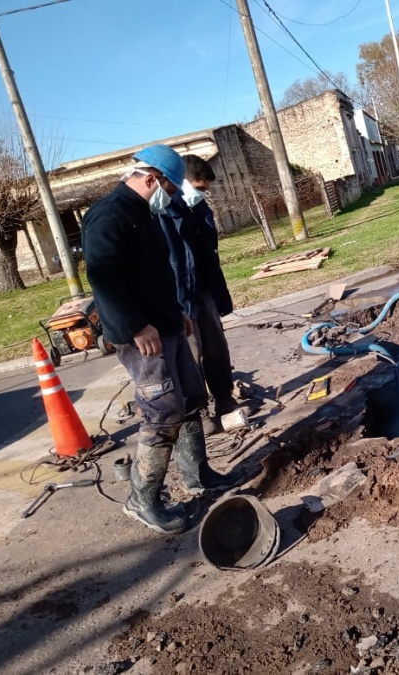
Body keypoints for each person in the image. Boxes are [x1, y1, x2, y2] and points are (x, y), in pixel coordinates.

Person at [81, 144, 237, 535]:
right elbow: (103, 278)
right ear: (152, 178)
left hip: (167, 324)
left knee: (190, 398)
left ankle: (197, 475)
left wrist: (176, 313)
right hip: (141, 336)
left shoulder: (144, 214)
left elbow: (157, 274)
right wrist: (136, 325)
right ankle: (142, 500)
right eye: (169, 187)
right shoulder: (109, 214)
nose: (171, 195)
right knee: (162, 412)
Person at [159, 154, 237, 435]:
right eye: (199, 188)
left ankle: (224, 399)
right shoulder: (164, 212)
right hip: (180, 296)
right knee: (191, 356)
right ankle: (198, 411)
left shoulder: (200, 209)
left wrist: (218, 296)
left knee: (217, 348)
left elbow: (209, 255)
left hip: (204, 291)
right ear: (182, 183)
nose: (203, 194)